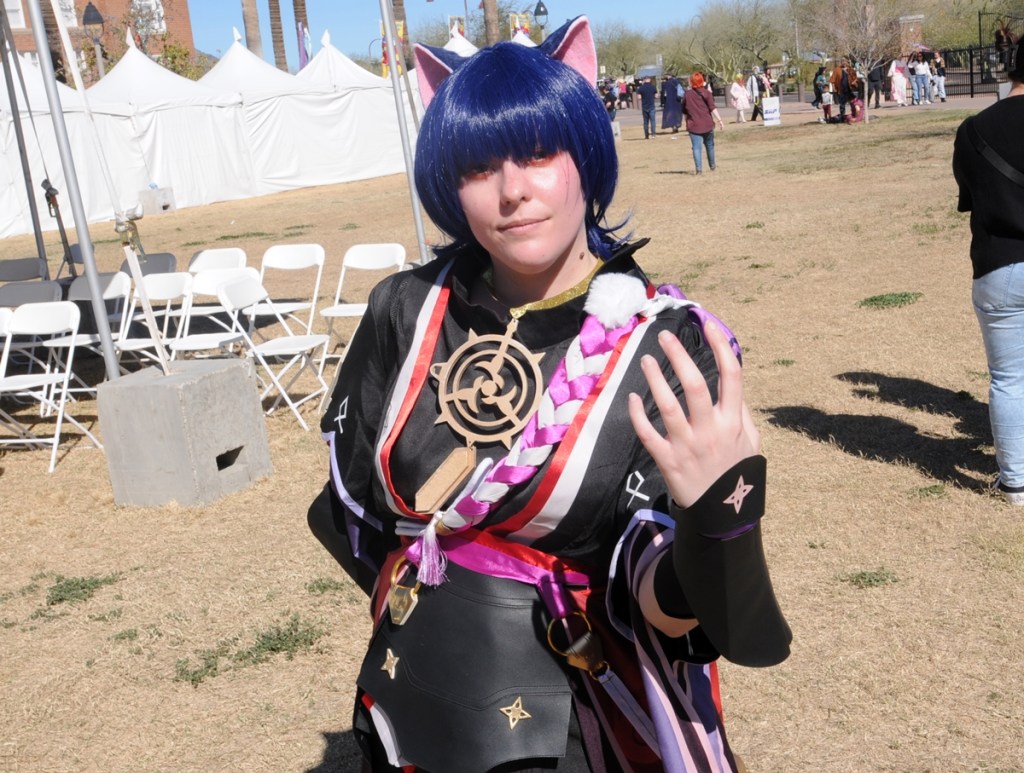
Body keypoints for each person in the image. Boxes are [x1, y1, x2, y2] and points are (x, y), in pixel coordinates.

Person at [308, 16, 791, 772]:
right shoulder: (405, 307)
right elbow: (352, 512)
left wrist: (714, 524)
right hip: (406, 702)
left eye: (539, 153)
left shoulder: (665, 340)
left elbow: (666, 607)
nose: (512, 191)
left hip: (575, 729)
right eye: (477, 166)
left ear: (586, 150)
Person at [952, 42, 1024, 505]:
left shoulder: (973, 130)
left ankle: (1016, 482)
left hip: (997, 264)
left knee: (1009, 378)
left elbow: (968, 197)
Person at [682, 72, 725, 174]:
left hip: (694, 125)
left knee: (696, 148)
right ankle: (712, 166)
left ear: (692, 82)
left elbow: (684, 110)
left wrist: (686, 121)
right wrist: (720, 120)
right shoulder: (707, 93)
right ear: (702, 81)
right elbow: (712, 108)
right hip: (707, 124)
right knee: (710, 145)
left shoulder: (687, 95)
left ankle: (699, 169)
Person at [637, 74, 658, 139]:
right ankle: (653, 134)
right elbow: (656, 96)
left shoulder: (641, 88)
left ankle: (646, 135)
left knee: (645, 122)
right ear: (650, 80)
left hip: (644, 106)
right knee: (653, 121)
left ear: (644, 80)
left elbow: (639, 97)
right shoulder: (653, 87)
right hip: (651, 105)